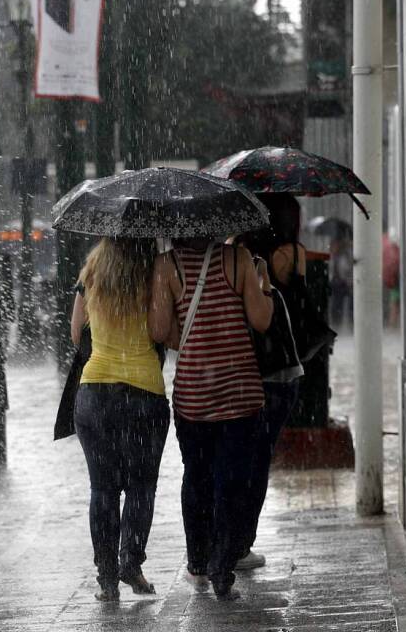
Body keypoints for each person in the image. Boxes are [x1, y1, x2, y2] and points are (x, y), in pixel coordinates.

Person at [149, 237, 273, 600]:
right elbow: (262, 320)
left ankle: (199, 562)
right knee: (233, 480)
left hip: (194, 395)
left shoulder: (165, 265)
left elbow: (158, 330)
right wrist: (263, 282)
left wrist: (191, 341)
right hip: (240, 390)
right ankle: (223, 566)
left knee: (197, 477)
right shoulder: (238, 259)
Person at [68, 238, 170, 602]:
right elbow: (161, 332)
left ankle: (107, 579)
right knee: (141, 487)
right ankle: (131, 561)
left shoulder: (93, 268)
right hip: (143, 393)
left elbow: (76, 330)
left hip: (94, 393)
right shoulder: (155, 270)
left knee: (102, 488)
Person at [234, 195, 308, 571]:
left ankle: (231, 539)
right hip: (282, 369)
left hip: (246, 368)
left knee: (239, 458)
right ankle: (242, 540)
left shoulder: (240, 257)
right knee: (259, 460)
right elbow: (301, 302)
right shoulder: (292, 254)